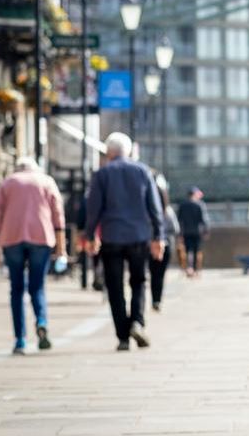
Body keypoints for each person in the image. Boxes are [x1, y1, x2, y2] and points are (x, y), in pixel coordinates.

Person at [83, 132, 165, 352]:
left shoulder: (102, 174)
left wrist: (90, 235)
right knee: (139, 281)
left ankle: (122, 336)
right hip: (139, 236)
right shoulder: (143, 171)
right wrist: (159, 236)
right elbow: (155, 208)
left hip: (112, 236)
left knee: (115, 286)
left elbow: (93, 210)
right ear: (128, 151)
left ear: (109, 152)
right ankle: (137, 322)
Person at [0, 158, 66, 355]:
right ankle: (41, 321)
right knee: (37, 286)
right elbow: (58, 215)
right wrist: (61, 247)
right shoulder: (46, 181)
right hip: (41, 238)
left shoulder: (7, 183)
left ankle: (20, 340)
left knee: (16, 289)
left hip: (11, 238)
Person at [149, 174, 179, 312]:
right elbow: (175, 229)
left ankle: (154, 298)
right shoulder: (168, 211)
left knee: (151, 273)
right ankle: (157, 300)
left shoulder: (146, 212)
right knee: (160, 274)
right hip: (165, 244)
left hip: (149, 245)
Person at [177, 187, 210, 278]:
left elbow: (179, 220)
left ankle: (189, 268)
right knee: (196, 251)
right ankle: (195, 269)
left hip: (186, 232)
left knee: (188, 251)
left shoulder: (182, 205)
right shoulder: (199, 205)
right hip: (197, 232)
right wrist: (206, 231)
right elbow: (204, 219)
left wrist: (180, 233)